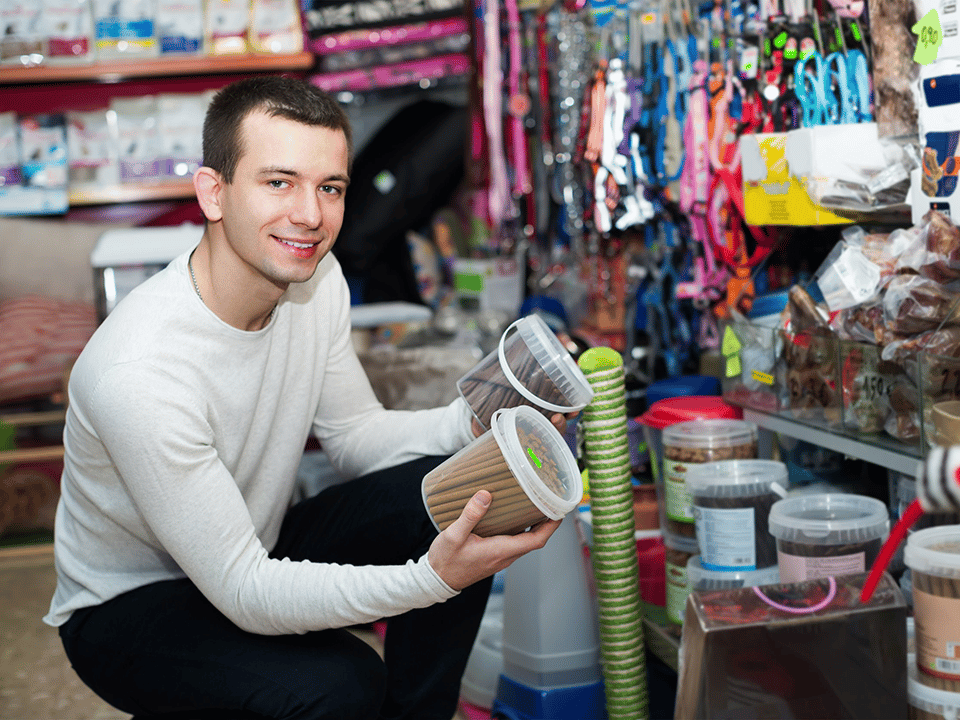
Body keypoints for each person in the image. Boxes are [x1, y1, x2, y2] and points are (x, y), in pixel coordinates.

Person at [44, 75, 566, 720]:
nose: (310, 216)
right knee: (339, 683)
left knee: (461, 493)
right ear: (214, 192)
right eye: (278, 183)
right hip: (130, 606)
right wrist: (431, 581)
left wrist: (478, 419)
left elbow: (353, 438)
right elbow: (243, 588)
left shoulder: (316, 281)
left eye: (330, 188)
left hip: (251, 542)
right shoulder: (140, 370)